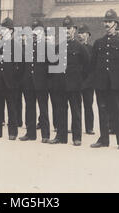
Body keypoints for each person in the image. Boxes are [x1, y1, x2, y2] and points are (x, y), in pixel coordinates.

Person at [90, 9, 119, 150]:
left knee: (118, 111)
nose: (107, 24)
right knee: (102, 112)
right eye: (106, 22)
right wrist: (96, 81)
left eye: (110, 22)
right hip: (101, 85)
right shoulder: (98, 43)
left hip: (116, 85)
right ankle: (104, 140)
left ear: (116, 24)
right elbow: (93, 64)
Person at [49, 16, 90, 146]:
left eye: (69, 28)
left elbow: (88, 67)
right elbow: (53, 66)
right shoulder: (57, 48)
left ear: (74, 30)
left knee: (76, 111)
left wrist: (81, 83)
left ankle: (77, 137)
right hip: (60, 85)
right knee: (61, 110)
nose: (66, 31)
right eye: (64, 29)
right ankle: (61, 136)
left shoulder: (80, 47)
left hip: (75, 85)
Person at [0, 17, 24, 140]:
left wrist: (16, 81)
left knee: (12, 107)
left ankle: (12, 132)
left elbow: (21, 66)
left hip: (11, 83)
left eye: (5, 29)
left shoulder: (17, 46)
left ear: (11, 31)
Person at [19, 19, 50, 143]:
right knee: (29, 108)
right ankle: (30, 133)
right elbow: (23, 66)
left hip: (42, 83)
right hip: (28, 83)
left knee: (43, 109)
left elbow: (51, 67)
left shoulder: (48, 47)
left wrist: (48, 82)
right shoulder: (27, 47)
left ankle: (45, 135)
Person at [77, 24, 95, 135]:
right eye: (79, 33)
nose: (81, 35)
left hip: (88, 82)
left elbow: (93, 67)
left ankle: (89, 127)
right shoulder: (75, 47)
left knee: (88, 105)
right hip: (76, 81)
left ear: (88, 35)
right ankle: (77, 127)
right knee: (76, 106)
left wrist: (89, 81)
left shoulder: (92, 49)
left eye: (83, 33)